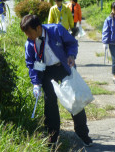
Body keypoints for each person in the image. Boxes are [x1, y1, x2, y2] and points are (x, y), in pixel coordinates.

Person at [20, 14, 93, 147]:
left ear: (37, 28)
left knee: (75, 100)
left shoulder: (56, 30)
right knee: (50, 104)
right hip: (47, 72)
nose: (28, 36)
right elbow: (31, 64)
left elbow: (71, 43)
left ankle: (83, 134)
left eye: (29, 32)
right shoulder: (30, 43)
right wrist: (36, 83)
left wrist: (71, 55)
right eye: (25, 33)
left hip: (63, 67)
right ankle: (52, 139)